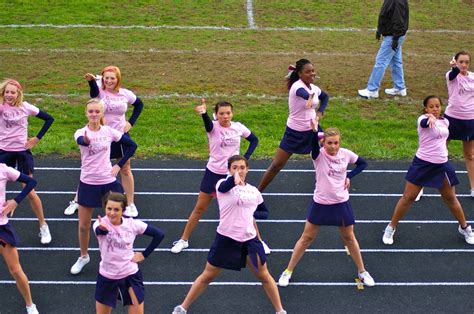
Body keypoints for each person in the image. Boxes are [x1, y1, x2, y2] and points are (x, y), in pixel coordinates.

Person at [172, 155, 286, 314]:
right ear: (228, 170)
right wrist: (234, 179)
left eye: (241, 167)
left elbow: (264, 212)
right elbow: (226, 185)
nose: (238, 170)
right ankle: (182, 308)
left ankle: (280, 310)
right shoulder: (221, 185)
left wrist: (250, 213)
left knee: (264, 275)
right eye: (234, 167)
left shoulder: (254, 191)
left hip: (250, 241)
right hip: (226, 239)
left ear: (248, 169)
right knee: (207, 276)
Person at [278, 125, 375, 288]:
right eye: (329, 143)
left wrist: (349, 176)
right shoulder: (318, 155)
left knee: (350, 238)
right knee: (306, 238)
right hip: (321, 203)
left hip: (341, 202)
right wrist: (315, 131)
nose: (333, 147)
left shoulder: (346, 154)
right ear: (323, 143)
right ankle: (288, 271)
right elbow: (313, 144)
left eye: (336, 143)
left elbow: (362, 164)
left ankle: (362, 271)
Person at [170, 99, 262, 253]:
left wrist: (244, 159)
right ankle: (183, 240)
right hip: (213, 173)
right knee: (199, 208)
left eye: (228, 113)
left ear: (232, 113)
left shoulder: (238, 127)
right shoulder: (213, 128)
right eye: (221, 113)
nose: (225, 116)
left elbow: (254, 140)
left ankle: (259, 241)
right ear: (216, 115)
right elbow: (208, 124)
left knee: (244, 208)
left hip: (232, 176)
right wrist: (204, 114)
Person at [382, 96, 474, 245]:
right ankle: (390, 227)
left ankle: (465, 227)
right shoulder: (422, 121)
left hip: (442, 165)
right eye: (431, 107)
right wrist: (429, 118)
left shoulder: (445, 122)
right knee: (408, 198)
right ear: (426, 109)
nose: (435, 109)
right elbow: (425, 123)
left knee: (451, 198)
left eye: (437, 106)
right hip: (423, 165)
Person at [64, 66, 144, 217]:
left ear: (118, 79)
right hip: (102, 135)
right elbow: (94, 93)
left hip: (119, 134)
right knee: (91, 168)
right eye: (106, 78)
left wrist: (131, 122)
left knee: (125, 168)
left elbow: (139, 105)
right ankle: (76, 201)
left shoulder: (125, 94)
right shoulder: (99, 92)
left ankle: (130, 203)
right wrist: (91, 82)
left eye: (112, 78)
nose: (109, 81)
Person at [70, 98, 137, 275]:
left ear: (101, 113)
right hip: (88, 182)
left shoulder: (109, 131)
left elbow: (132, 145)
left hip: (108, 182)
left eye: (96, 111)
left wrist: (119, 164)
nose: (93, 114)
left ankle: (119, 254)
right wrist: (84, 140)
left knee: (116, 221)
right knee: (84, 225)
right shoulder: (80, 132)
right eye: (90, 111)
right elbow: (81, 141)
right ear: (86, 113)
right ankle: (83, 256)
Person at [257, 59, 329, 192]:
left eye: (313, 71)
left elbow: (325, 97)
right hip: (294, 132)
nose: (312, 74)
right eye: (308, 72)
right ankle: (258, 192)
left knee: (326, 156)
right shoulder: (297, 86)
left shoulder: (314, 88)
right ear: (300, 74)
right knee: (277, 164)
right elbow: (303, 94)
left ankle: (330, 186)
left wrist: (319, 113)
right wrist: (309, 97)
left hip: (313, 130)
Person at [0, 79, 53, 245]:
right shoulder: (1, 106)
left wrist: (36, 139)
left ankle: (43, 225)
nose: (9, 95)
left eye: (12, 92)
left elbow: (49, 119)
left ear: (18, 93)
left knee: (29, 190)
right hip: (3, 152)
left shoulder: (26, 107)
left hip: (22, 153)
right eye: (6, 92)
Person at [94, 192, 164, 314]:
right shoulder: (100, 224)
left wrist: (144, 255)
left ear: (123, 210)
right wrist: (102, 229)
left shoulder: (132, 224)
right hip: (107, 276)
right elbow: (100, 231)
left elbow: (159, 234)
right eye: (109, 208)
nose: (112, 213)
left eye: (116, 209)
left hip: (130, 275)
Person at [0, 163, 39, 314]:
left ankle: (30, 305)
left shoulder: (3, 169)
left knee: (15, 270)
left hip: (1, 229)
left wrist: (15, 201)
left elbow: (31, 182)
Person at [358, 0, 409, 99]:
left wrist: (395, 38)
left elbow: (398, 20)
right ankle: (400, 88)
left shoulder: (397, 1)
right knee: (396, 62)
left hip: (393, 36)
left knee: (381, 61)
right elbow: (385, 15)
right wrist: (380, 29)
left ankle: (372, 90)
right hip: (393, 35)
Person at [445, 51, 474, 197]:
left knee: (470, 155)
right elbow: (452, 74)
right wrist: (454, 68)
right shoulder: (452, 75)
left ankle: (473, 189)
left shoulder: (473, 77)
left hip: (469, 120)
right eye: (461, 61)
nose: (463, 65)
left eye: (466, 62)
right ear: (455, 62)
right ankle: (420, 188)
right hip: (452, 119)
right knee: (438, 153)